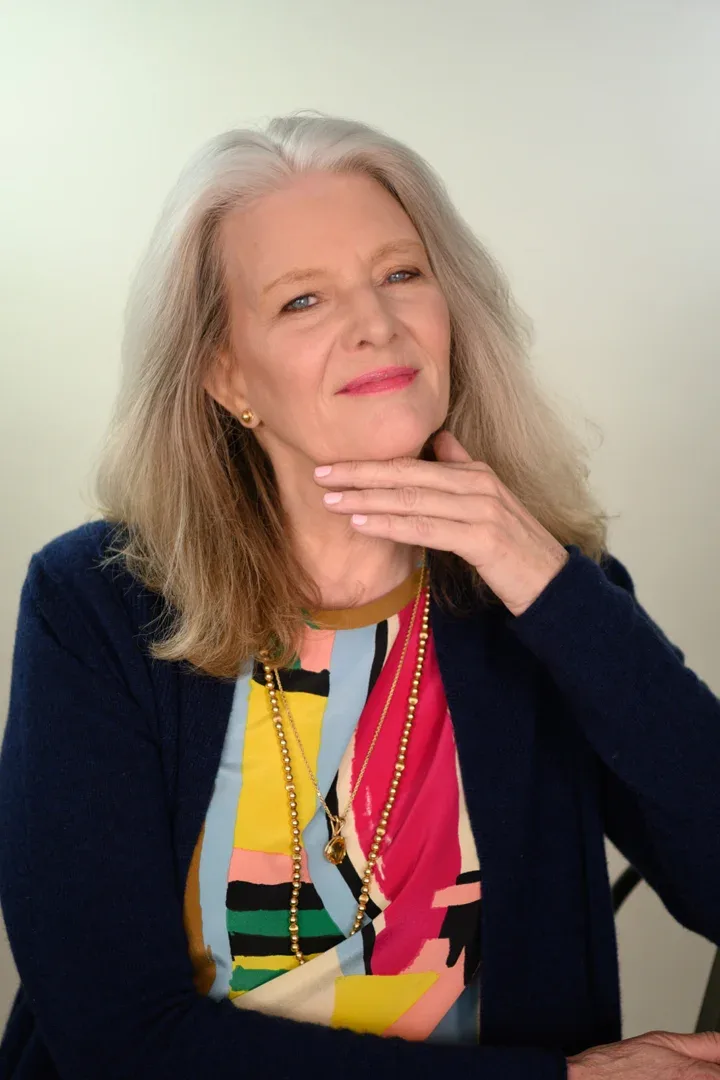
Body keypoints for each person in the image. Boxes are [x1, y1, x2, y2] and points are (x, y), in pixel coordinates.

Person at [1, 110, 719, 1080]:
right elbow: (117, 1037)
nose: (375, 324)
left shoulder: (548, 589)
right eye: (302, 301)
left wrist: (548, 582)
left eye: (401, 274)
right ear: (224, 373)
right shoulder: (94, 607)